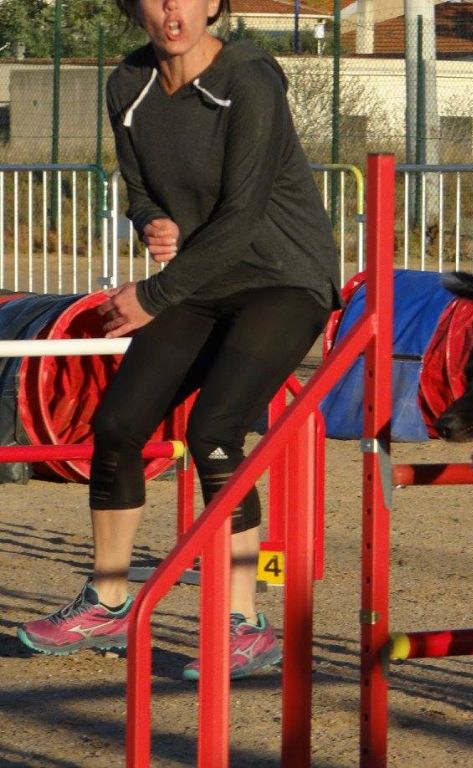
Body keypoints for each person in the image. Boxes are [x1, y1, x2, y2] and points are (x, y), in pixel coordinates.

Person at [16, 0, 341, 681]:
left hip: (283, 278)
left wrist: (153, 295)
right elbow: (137, 189)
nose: (173, 10)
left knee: (216, 432)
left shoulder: (249, 78)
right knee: (117, 423)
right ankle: (106, 602)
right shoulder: (126, 85)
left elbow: (244, 212)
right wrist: (152, 221)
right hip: (201, 280)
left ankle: (244, 624)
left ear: (215, 5)